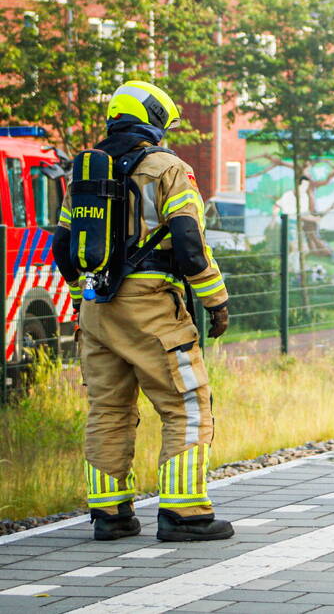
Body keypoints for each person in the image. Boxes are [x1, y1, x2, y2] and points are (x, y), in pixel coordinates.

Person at [52, 81, 233, 541]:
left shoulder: (85, 172)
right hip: (151, 306)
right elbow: (190, 243)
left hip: (96, 309)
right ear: (152, 121)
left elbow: (63, 247)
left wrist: (79, 299)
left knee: (107, 409)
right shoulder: (167, 168)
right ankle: (183, 514)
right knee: (188, 405)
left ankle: (110, 515)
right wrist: (215, 299)